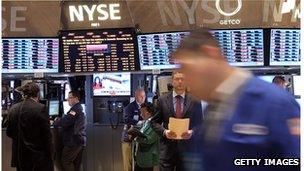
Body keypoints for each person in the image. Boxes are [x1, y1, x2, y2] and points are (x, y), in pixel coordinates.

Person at [173, 28, 300, 171]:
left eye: (186, 67)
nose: (184, 78)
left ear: (211, 55)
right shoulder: (212, 111)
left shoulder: (276, 103)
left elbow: (294, 163)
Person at [152, 71, 203, 171]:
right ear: (172, 81)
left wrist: (192, 132)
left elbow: (201, 124)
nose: (180, 82)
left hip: (187, 151)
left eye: (182, 79)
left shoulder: (195, 100)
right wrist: (165, 132)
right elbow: (154, 122)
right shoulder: (162, 100)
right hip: (167, 150)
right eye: (177, 79)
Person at [6, 82, 54, 171]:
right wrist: (51, 154)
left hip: (20, 157)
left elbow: (9, 132)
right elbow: (47, 137)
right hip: (37, 158)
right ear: (37, 94)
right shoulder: (41, 108)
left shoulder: (13, 108)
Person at [54, 90, 86, 171]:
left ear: (75, 98)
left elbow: (66, 121)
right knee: (76, 163)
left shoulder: (75, 109)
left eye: (69, 98)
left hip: (73, 141)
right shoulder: (77, 108)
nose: (68, 100)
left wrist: (56, 122)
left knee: (66, 161)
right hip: (78, 140)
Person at [121, 88, 146, 171]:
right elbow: (126, 119)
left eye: (144, 96)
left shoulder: (146, 107)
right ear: (136, 97)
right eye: (141, 96)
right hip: (128, 139)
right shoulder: (130, 107)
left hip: (139, 140)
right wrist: (139, 122)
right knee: (128, 164)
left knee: (138, 164)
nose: (143, 98)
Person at [133, 102, 159, 171]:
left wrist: (136, 138)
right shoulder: (146, 122)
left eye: (142, 112)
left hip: (148, 159)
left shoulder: (155, 124)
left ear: (148, 112)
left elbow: (149, 140)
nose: (141, 114)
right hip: (140, 159)